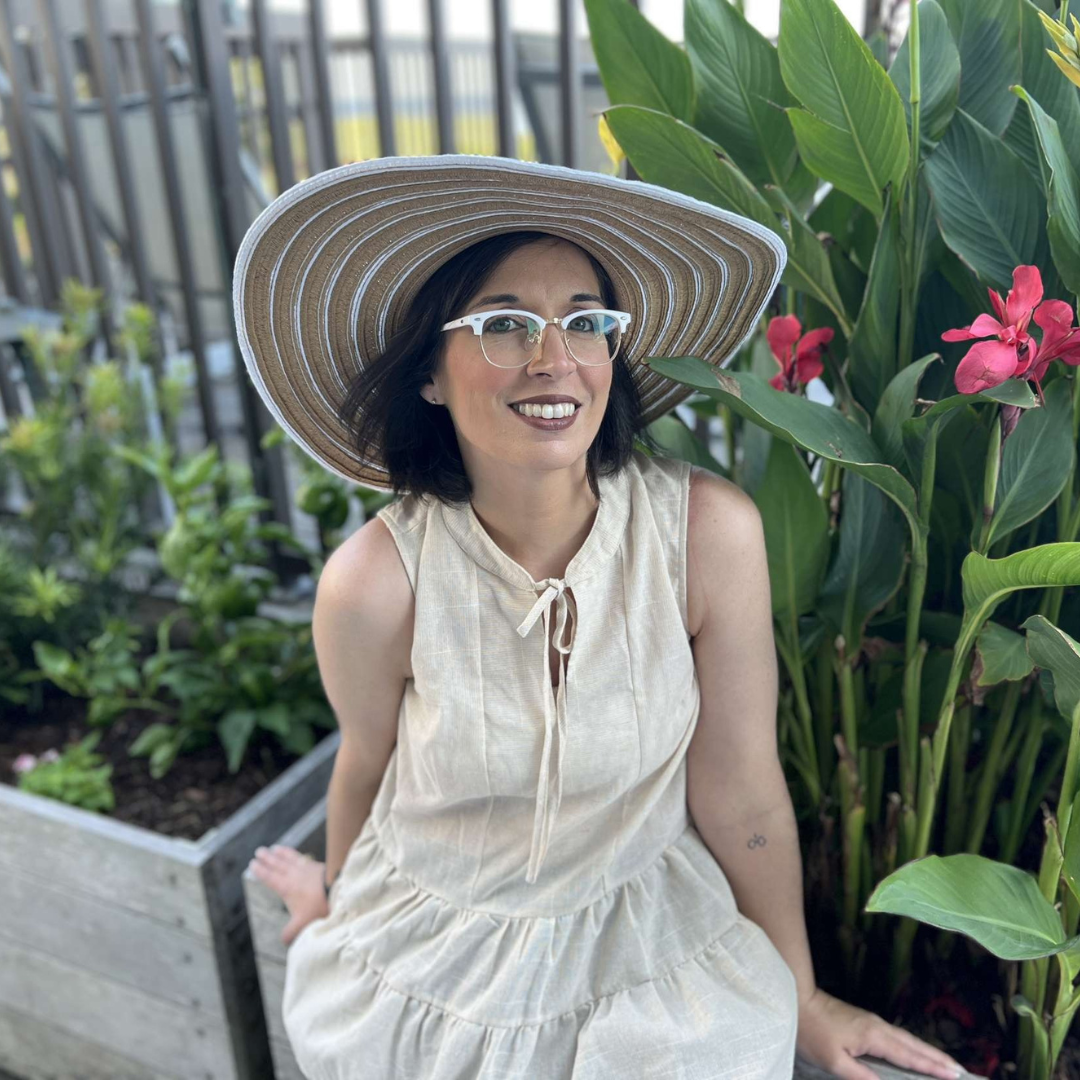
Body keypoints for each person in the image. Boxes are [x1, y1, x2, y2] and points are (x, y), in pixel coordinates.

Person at [236, 155, 969, 1080]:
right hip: (436, 943)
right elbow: (367, 762)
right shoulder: (375, 582)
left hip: (643, 930)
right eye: (504, 324)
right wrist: (335, 904)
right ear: (428, 372)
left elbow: (741, 788)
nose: (556, 358)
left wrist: (803, 994)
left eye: (586, 322)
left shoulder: (707, 536)